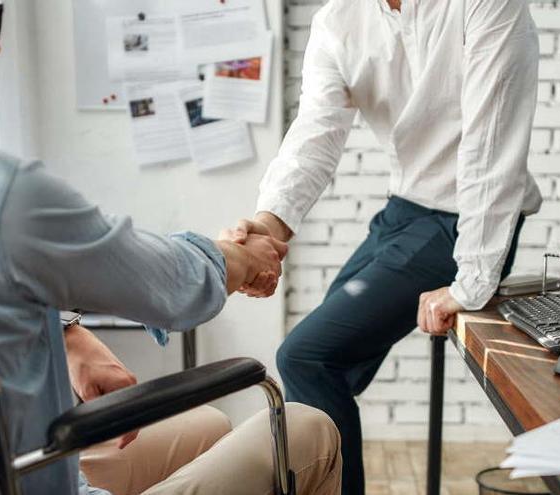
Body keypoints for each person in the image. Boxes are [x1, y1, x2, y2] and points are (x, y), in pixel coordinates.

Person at [0, 1, 341, 494]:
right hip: (24, 480)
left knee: (207, 426)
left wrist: (67, 337)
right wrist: (244, 255)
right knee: (307, 430)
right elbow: (175, 284)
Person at [221, 0, 542, 492]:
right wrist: (268, 227)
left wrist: (472, 279)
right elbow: (316, 134)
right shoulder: (339, 20)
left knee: (306, 357)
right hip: (403, 212)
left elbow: (490, 142)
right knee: (325, 372)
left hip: (467, 220)